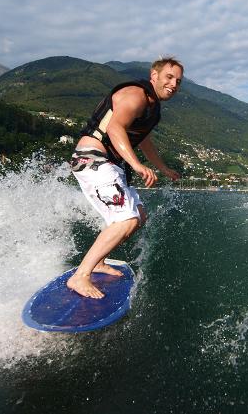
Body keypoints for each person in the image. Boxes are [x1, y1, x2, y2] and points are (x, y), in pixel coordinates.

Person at [68, 57, 183, 298]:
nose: (173, 84)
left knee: (138, 216)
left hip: (109, 164)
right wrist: (137, 165)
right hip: (92, 159)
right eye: (169, 77)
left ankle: (98, 262)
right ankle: (80, 276)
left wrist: (162, 168)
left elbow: (142, 139)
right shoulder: (135, 95)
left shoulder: (151, 107)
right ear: (154, 75)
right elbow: (114, 128)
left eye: (178, 81)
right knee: (126, 220)